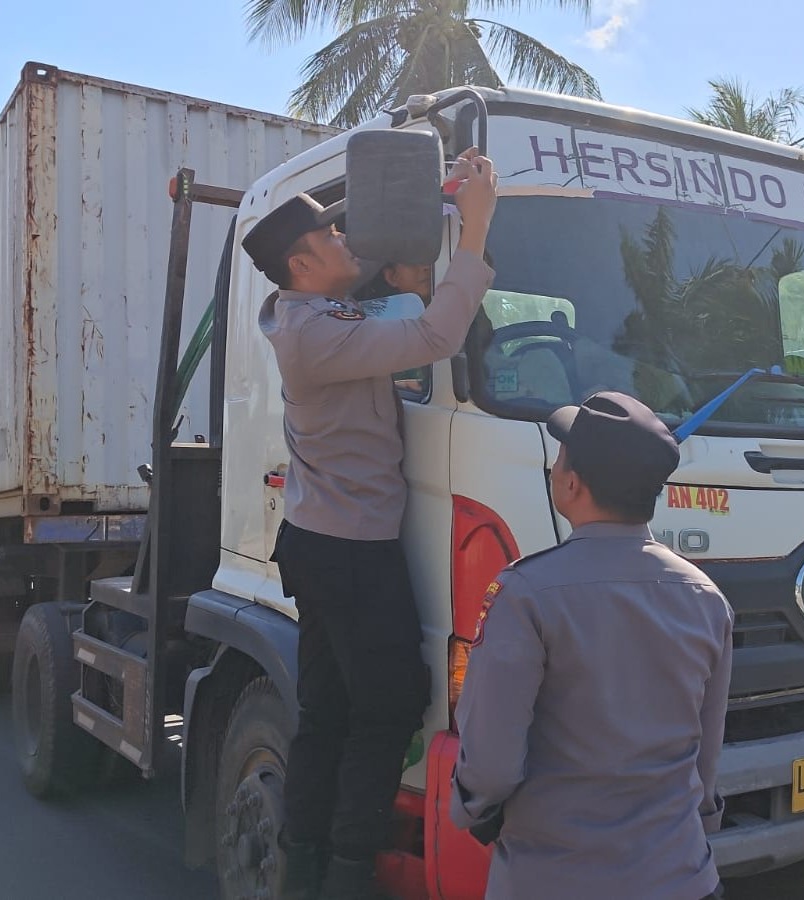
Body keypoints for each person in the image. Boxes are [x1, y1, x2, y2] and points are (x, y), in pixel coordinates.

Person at [241, 146, 498, 900]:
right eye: (331, 238)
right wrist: (474, 233)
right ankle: (350, 872)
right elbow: (429, 339)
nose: (347, 241)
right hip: (352, 553)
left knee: (327, 712)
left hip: (326, 545)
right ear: (301, 264)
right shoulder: (314, 333)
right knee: (385, 710)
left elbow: (396, 311)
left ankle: (303, 863)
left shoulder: (316, 313)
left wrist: (424, 240)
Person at [450, 391, 735, 900]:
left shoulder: (527, 594)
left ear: (573, 484)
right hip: (682, 876)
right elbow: (703, 764)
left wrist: (472, 810)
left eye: (560, 458)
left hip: (553, 879)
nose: (555, 467)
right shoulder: (705, 598)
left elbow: (490, 767)